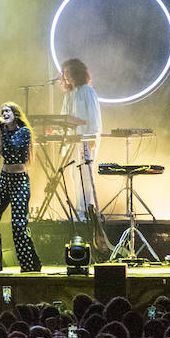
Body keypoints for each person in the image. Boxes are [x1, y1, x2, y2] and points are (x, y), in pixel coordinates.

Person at [0, 102, 42, 274]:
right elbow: (6, 152)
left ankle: (29, 265)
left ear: (15, 113)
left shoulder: (24, 132)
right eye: (2, 112)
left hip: (19, 182)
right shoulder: (6, 132)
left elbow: (12, 150)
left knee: (18, 225)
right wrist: (4, 130)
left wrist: (3, 129)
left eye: (7, 111)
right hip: (4, 180)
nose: (4, 114)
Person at [58, 59, 102, 220]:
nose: (65, 76)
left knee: (85, 174)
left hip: (86, 139)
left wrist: (92, 137)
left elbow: (94, 116)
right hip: (73, 141)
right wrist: (56, 130)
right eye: (64, 73)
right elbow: (64, 118)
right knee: (73, 174)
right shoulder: (69, 95)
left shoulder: (87, 91)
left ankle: (86, 211)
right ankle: (79, 210)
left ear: (77, 72)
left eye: (68, 72)